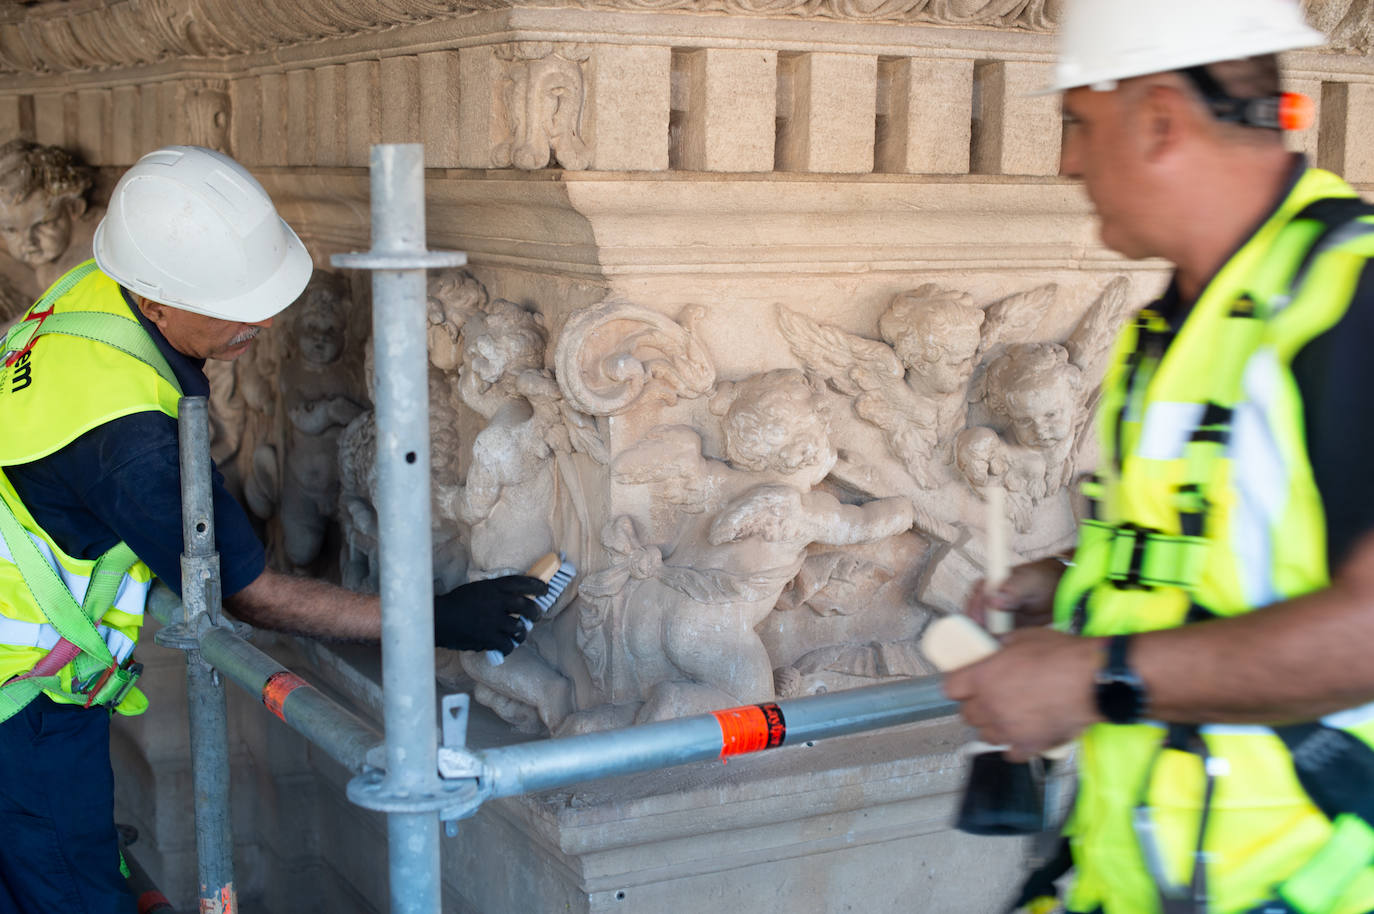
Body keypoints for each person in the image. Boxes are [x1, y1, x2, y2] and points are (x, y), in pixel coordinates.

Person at [0, 145, 546, 914]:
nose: (259, 319)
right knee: (69, 887)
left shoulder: (94, 293)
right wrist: (431, 620)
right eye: (232, 303)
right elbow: (248, 595)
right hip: (22, 706)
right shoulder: (128, 442)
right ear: (155, 304)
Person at [944, 1, 1374, 912]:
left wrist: (1094, 676)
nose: (1066, 162)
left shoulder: (1350, 302)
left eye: (1077, 125)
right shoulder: (1175, 329)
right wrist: (1066, 586)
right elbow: (1226, 563)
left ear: (1161, 119)